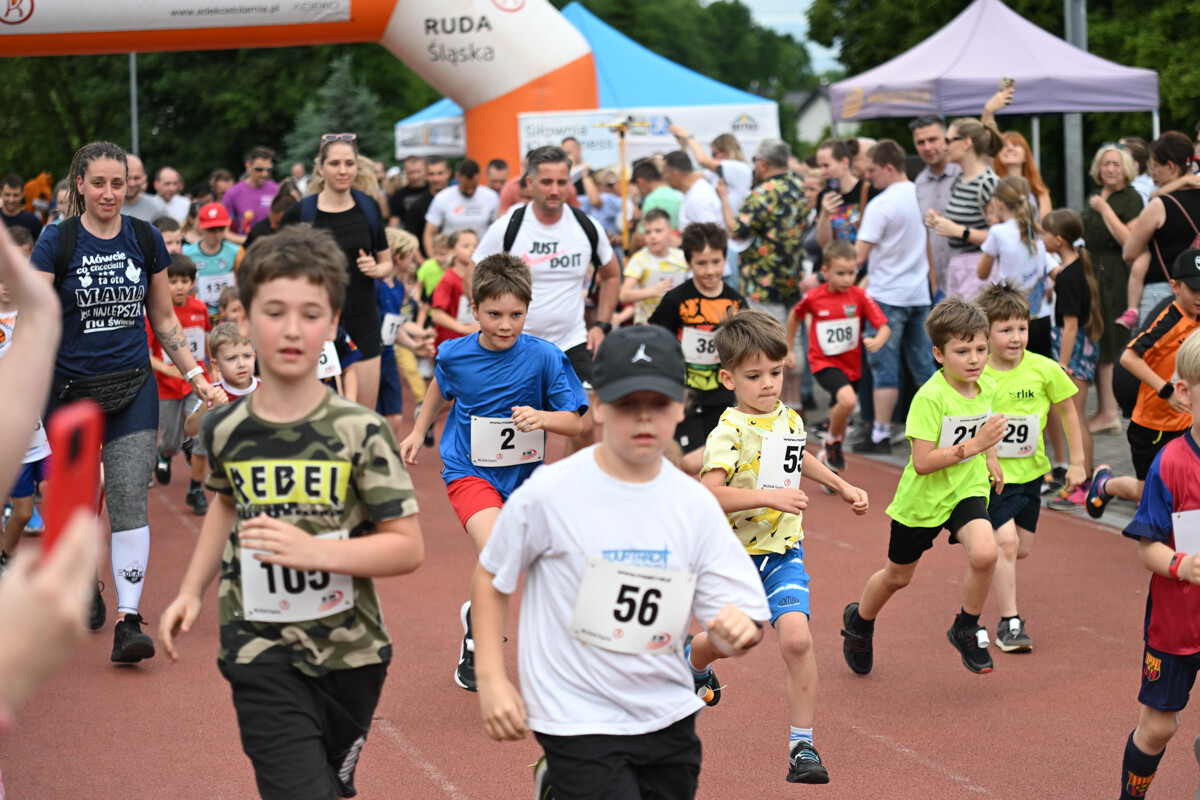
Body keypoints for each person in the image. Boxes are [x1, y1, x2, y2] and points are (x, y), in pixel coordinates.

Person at [159, 224, 424, 800]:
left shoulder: (360, 431)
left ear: (332, 325)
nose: (292, 329)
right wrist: (191, 591)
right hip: (258, 646)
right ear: (247, 320)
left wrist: (314, 552)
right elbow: (225, 503)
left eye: (310, 313)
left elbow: (406, 547)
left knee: (326, 780)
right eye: (274, 312)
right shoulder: (226, 428)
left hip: (351, 654)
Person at [472, 323, 769, 800]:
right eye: (628, 404)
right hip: (575, 712)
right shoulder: (550, 494)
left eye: (659, 403)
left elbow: (742, 611)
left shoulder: (693, 505)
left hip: (666, 711)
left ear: (681, 407)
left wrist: (737, 631)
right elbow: (492, 575)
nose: (644, 418)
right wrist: (491, 678)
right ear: (599, 407)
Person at [31, 141, 215, 663]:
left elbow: (164, 318)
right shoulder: (57, 240)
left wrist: (196, 376)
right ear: (81, 185)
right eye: (99, 183)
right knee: (78, 504)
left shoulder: (144, 236)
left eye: (118, 183)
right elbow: (37, 319)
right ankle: (86, 581)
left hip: (133, 388)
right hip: (70, 395)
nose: (110, 193)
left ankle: (128, 620)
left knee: (130, 498)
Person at [695, 309, 868, 784]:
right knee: (732, 641)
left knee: (796, 638)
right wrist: (768, 496)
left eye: (775, 372)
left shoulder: (788, 417)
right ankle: (694, 660)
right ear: (729, 379)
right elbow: (709, 493)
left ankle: (802, 747)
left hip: (783, 551)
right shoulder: (728, 432)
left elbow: (799, 456)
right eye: (754, 376)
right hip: (734, 559)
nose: (768, 384)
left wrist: (840, 485)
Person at [402, 252, 587, 693]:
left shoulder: (545, 357)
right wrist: (418, 430)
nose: (505, 325)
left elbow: (576, 423)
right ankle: (481, 645)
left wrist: (542, 417)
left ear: (527, 310)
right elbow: (440, 385)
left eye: (515, 315)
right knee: (497, 549)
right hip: (469, 470)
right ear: (475, 310)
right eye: (494, 315)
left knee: (539, 559)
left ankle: (475, 617)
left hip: (524, 481)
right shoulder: (455, 354)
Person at [841, 298, 1005, 676]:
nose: (975, 359)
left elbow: (984, 426)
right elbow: (923, 462)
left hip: (966, 489)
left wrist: (991, 457)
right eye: (962, 351)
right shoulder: (930, 398)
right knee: (897, 577)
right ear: (938, 354)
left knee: (985, 552)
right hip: (923, 500)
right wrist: (977, 446)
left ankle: (966, 627)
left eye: (981, 349)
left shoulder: (988, 385)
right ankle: (860, 623)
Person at [473, 145, 620, 457]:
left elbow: (611, 275)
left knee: (584, 426)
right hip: (515, 344)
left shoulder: (586, 227)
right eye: (546, 182)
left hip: (570, 343)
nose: (555, 190)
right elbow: (472, 274)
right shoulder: (509, 227)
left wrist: (602, 325)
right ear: (529, 182)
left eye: (562, 182)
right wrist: (488, 323)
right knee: (511, 429)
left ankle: (567, 485)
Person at [1114, 329, 1200, 799]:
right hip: (1176, 624)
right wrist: (1180, 565)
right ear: (1185, 393)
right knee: (1159, 727)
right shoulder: (1170, 464)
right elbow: (1147, 547)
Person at [976, 281, 1084, 653]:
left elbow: (1068, 410)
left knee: (1020, 549)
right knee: (1005, 543)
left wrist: (1077, 463)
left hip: (1032, 474)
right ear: (986, 333)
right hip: (991, 478)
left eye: (1021, 328)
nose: (1016, 337)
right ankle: (1010, 624)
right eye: (1005, 329)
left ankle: (984, 557)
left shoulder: (1043, 368)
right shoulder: (978, 374)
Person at [1085, 248, 1200, 520]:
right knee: (1150, 489)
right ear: (1175, 286)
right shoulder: (1168, 320)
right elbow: (1128, 357)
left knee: (1182, 489)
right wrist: (1166, 390)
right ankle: (1105, 485)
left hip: (1186, 423)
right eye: (1194, 289)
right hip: (1152, 426)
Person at [278, 133, 391, 411]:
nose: (343, 171)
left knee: (362, 416)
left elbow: (387, 262)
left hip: (363, 321)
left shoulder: (369, 207)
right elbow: (277, 272)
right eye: (335, 163)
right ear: (320, 167)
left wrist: (376, 269)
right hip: (314, 325)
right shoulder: (300, 214)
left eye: (349, 163)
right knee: (315, 415)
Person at [852, 139, 936, 455]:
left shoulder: (882, 204)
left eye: (872, 170)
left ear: (889, 167)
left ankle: (880, 435)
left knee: (884, 368)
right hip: (918, 294)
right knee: (924, 366)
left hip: (886, 295)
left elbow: (858, 256)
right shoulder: (922, 195)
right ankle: (941, 429)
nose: (868, 177)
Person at [648, 223, 744, 475]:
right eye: (701, 263)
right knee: (687, 462)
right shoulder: (676, 299)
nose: (710, 270)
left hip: (721, 393)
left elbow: (745, 345)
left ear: (725, 259)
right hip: (685, 392)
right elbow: (655, 335)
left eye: (716, 261)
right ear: (689, 262)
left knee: (718, 462)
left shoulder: (735, 302)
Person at [786, 240, 890, 470]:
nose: (847, 279)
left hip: (851, 366)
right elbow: (794, 316)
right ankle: (832, 441)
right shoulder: (814, 297)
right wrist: (789, 348)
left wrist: (878, 341)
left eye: (852, 273)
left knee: (841, 409)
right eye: (840, 273)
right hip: (823, 363)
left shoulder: (859, 296)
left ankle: (828, 455)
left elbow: (884, 327)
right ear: (825, 272)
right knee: (848, 401)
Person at [1041, 209, 1102, 509]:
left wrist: (1062, 365)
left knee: (1075, 417)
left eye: (1044, 233)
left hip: (1073, 352)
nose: (1041, 238)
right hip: (1083, 348)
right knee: (1076, 416)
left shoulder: (1068, 276)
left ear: (1058, 240)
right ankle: (1085, 481)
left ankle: (1084, 483)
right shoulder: (1077, 268)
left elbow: (1070, 326)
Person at [1083, 142, 1144, 434]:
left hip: (1114, 275)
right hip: (1090, 272)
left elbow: (1128, 241)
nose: (1109, 169)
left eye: (1116, 164)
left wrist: (1105, 209)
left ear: (1126, 168)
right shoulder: (1096, 194)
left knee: (1109, 342)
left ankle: (1110, 413)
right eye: (1105, 163)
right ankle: (1102, 410)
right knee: (1095, 339)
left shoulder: (1131, 198)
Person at [146, 253, 211, 516]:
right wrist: (170, 370)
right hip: (166, 388)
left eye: (185, 281)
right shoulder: (156, 313)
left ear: (193, 283)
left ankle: (196, 488)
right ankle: (165, 454)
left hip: (197, 383)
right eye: (172, 282)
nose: (179, 287)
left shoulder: (200, 308)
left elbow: (206, 341)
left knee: (202, 435)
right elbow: (146, 354)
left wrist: (214, 368)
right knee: (171, 439)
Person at [1122, 132, 1200, 328]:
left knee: (1152, 347)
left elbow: (1129, 253)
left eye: (1155, 166)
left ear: (1171, 167)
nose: (1152, 173)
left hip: (1163, 291)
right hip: (1197, 293)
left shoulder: (1160, 205)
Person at [924, 117, 1004, 301]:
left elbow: (1002, 236)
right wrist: (937, 220)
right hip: (957, 266)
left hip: (980, 268)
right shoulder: (959, 180)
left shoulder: (988, 183)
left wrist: (960, 231)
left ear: (967, 143)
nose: (944, 147)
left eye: (949, 140)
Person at [976, 176, 1051, 354]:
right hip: (1042, 316)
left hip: (1012, 319)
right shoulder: (1035, 229)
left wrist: (994, 226)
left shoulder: (998, 232)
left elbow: (982, 272)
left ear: (999, 203)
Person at [183, 322, 259, 439]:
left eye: (247, 356)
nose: (241, 364)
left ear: (254, 358)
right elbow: (189, 429)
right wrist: (207, 406)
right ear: (216, 365)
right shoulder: (213, 393)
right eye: (231, 358)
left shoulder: (267, 390)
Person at [620, 208, 687, 325]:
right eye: (648, 232)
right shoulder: (639, 259)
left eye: (658, 231)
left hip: (676, 324)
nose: (653, 236)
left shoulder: (681, 257)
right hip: (647, 325)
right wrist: (653, 291)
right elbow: (624, 295)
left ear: (670, 231)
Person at [423, 159, 500, 258]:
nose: (469, 191)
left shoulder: (491, 197)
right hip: (450, 258)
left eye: (473, 187)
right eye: (465, 187)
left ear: (479, 177)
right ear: (457, 176)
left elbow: (497, 230)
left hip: (481, 256)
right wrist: (435, 259)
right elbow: (429, 233)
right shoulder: (442, 198)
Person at [183, 202, 241, 320]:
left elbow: (244, 283)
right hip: (198, 314)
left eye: (221, 229)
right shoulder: (186, 252)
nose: (217, 235)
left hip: (228, 316)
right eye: (211, 229)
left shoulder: (236, 252)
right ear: (201, 227)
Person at [814, 138, 875, 248]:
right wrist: (824, 214)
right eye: (820, 166)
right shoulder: (824, 196)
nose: (822, 172)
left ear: (845, 162)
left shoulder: (868, 190)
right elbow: (825, 244)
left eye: (826, 165)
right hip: (836, 257)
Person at [430, 229, 480, 349]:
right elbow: (436, 315)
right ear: (452, 251)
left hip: (472, 344)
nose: (472, 249)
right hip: (450, 346)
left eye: (475, 246)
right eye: (466, 246)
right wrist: (464, 328)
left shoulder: (480, 280)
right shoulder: (448, 279)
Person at [221, 146, 278, 237]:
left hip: (273, 244)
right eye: (259, 169)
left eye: (268, 169)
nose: (264, 174)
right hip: (246, 244)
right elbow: (224, 232)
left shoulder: (277, 190)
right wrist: (248, 242)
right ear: (248, 166)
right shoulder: (233, 193)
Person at [996, 132, 1052, 221]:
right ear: (997, 155)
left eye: (1015, 145)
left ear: (1025, 156)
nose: (1010, 148)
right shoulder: (991, 187)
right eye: (1004, 146)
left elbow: (1046, 227)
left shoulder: (1039, 193)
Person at [663, 151, 724, 231]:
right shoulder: (696, 190)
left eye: (664, 174)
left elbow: (709, 234)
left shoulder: (697, 198)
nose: (664, 178)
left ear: (675, 175)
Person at [406, 157, 451, 255]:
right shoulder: (417, 205)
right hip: (428, 258)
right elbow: (410, 238)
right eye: (431, 174)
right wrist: (423, 261)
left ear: (448, 173)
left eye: (440, 173)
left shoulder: (459, 199)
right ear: (426, 175)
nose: (436, 179)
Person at [631, 160, 682, 230]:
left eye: (637, 185)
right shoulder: (678, 194)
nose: (638, 191)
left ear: (640, 181)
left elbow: (642, 233)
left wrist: (637, 219)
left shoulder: (652, 199)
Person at [120, 155, 167, 222]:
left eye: (136, 178)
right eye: (127, 178)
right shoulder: (107, 206)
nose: (132, 184)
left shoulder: (158, 208)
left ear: (144, 177)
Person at [387, 156, 427, 229]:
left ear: (425, 171)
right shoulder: (399, 195)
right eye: (411, 172)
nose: (415, 176)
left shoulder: (432, 191)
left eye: (418, 171)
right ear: (405, 172)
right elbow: (394, 221)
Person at [1, 175, 43, 240]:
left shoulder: (32, 221)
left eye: (15, 195)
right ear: (1, 193)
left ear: (22, 194)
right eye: (7, 195)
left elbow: (38, 245)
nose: (11, 200)